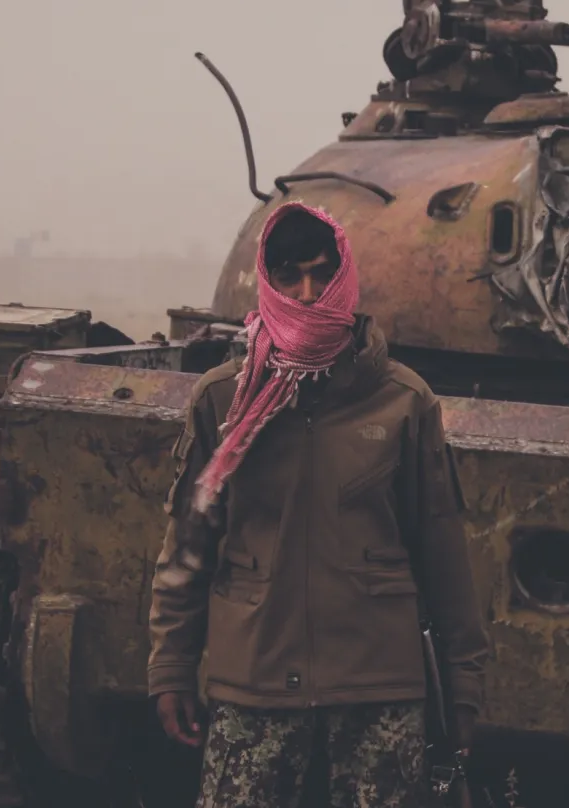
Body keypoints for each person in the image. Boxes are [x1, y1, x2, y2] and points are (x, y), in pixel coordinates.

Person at [148, 201, 489, 807]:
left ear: (345, 278)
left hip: (377, 692)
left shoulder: (402, 402)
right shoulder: (222, 401)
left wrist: (461, 682)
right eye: (288, 276)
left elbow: (442, 552)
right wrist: (172, 665)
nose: (307, 293)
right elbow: (189, 546)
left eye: (321, 274)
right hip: (255, 685)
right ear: (266, 281)